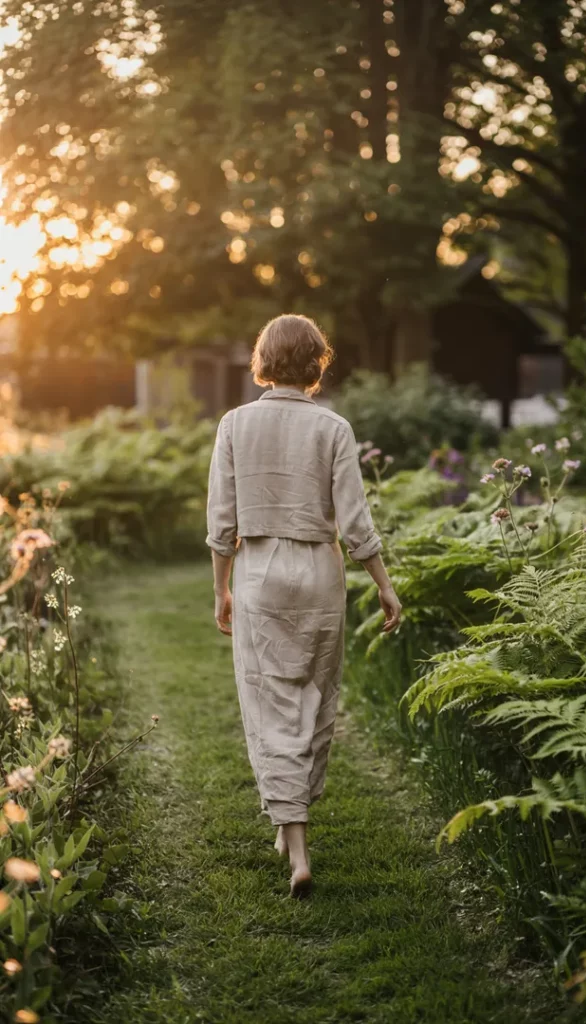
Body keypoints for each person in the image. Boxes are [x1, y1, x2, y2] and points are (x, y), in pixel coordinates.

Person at [206, 313, 401, 898]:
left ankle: (295, 842)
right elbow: (356, 521)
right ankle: (293, 820)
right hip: (320, 572)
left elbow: (222, 521)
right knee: (314, 694)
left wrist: (221, 586)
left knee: (270, 700)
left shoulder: (235, 424)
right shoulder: (334, 428)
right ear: (317, 361)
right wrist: (384, 584)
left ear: (263, 360)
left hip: (261, 573)